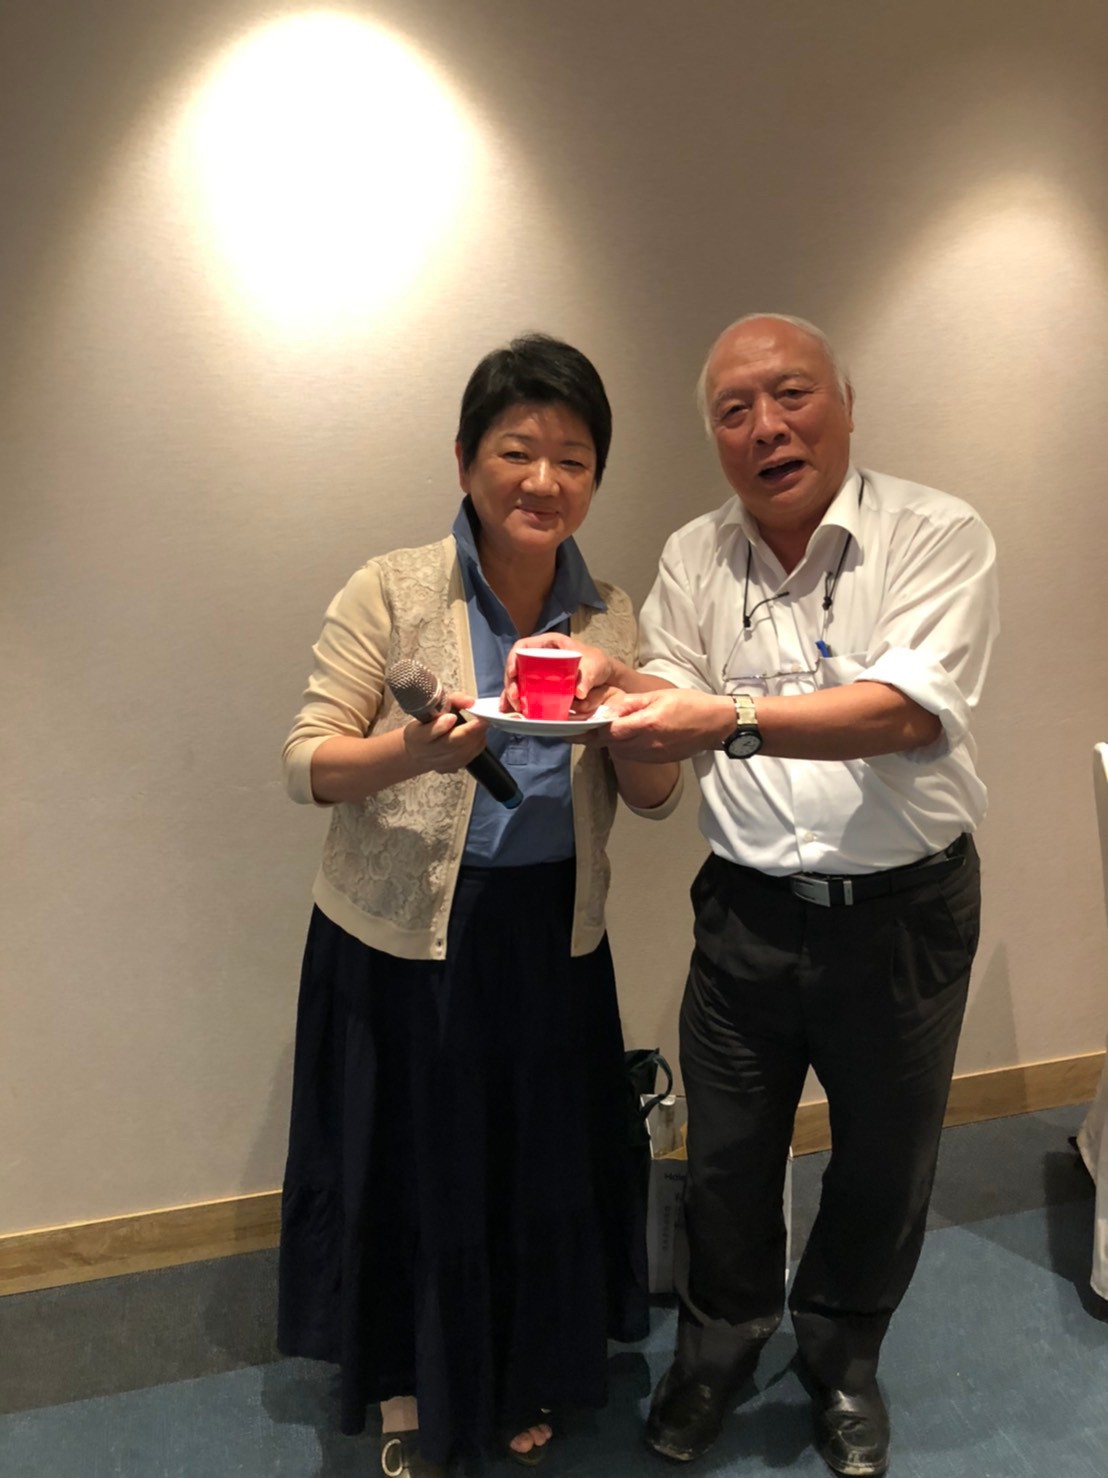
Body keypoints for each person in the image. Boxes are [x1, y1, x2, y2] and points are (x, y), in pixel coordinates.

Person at [507, 314, 998, 1476]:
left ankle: (841, 1357)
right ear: (715, 437)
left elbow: (903, 713)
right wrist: (619, 685)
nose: (766, 426)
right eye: (734, 411)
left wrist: (722, 715)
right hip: (745, 912)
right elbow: (671, 715)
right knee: (726, 1161)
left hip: (903, 915)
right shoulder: (696, 554)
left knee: (882, 1162)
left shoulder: (936, 533)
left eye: (790, 395)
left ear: (844, 403)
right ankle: (716, 1349)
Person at [277, 334, 680, 1478]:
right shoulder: (393, 587)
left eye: (573, 458)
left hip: (552, 935)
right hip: (404, 938)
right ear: (465, 459)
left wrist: (633, 709)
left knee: (531, 1167)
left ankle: (517, 1370)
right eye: (517, 450)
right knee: (416, 1166)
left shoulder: (609, 613)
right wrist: (411, 750)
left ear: (595, 477)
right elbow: (306, 760)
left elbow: (653, 797)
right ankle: (409, 1380)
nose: (543, 480)